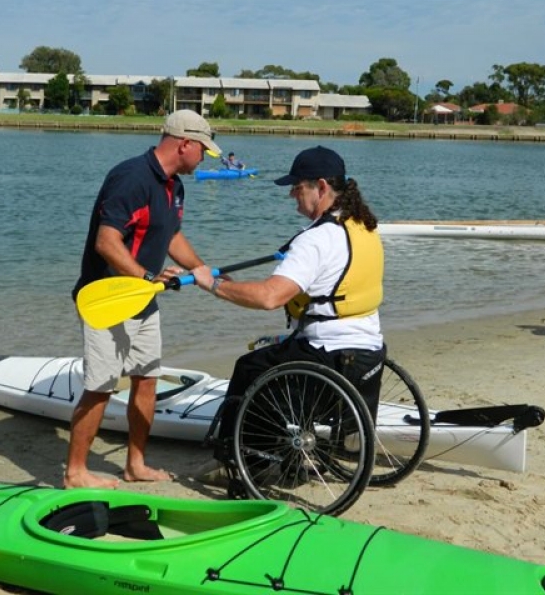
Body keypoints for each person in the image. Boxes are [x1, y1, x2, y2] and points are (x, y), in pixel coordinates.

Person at [191, 145, 385, 467]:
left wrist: (212, 285)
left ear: (321, 187)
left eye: (297, 188)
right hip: (369, 351)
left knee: (248, 368)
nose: (292, 198)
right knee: (280, 348)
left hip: (330, 355)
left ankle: (242, 465)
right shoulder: (364, 225)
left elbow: (270, 297)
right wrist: (225, 279)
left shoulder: (316, 239)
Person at [65, 110, 221, 489]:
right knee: (101, 385)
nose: (204, 157)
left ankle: (135, 464)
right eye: (203, 150)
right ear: (184, 143)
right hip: (107, 297)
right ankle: (76, 472)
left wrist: (203, 271)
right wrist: (148, 276)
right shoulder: (131, 177)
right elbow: (107, 242)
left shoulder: (174, 186)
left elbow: (171, 237)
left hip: (143, 299)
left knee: (147, 379)